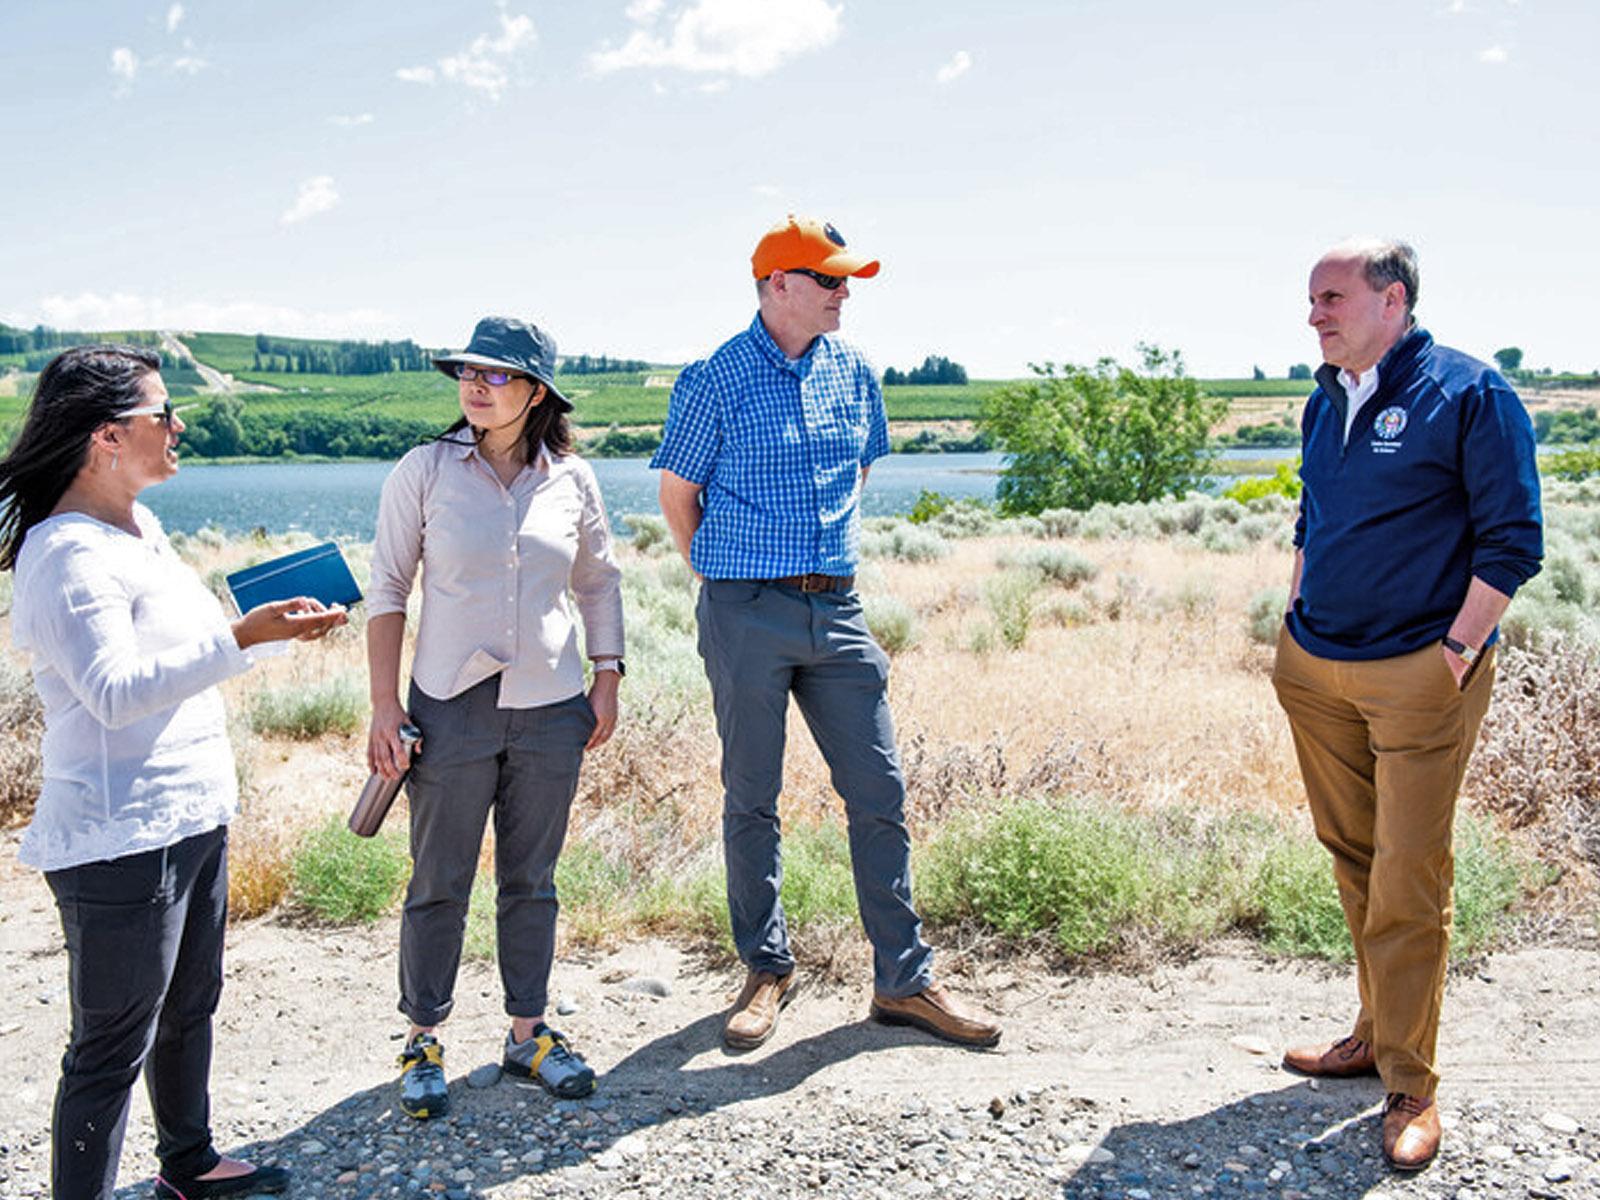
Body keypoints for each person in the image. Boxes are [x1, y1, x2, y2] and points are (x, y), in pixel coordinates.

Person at [1, 345, 346, 1200]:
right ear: (106, 437)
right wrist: (243, 637)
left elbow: (166, 652)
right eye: (164, 413)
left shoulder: (138, 529)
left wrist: (259, 623)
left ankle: (187, 1164)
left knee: (190, 1004)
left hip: (189, 810)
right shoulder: (66, 554)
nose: (180, 425)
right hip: (120, 834)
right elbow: (115, 693)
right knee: (111, 1041)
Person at [651, 214, 1002, 1051]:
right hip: (746, 609)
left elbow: (860, 466)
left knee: (879, 791)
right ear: (779, 285)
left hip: (838, 610)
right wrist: (726, 581)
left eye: (848, 280)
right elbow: (678, 496)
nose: (847, 293)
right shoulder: (714, 380)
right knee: (753, 798)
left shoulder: (856, 374)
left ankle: (904, 983)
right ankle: (767, 969)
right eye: (830, 279)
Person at [1272, 240, 1543, 1169]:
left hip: (1421, 674)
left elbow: (1512, 544)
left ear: (1393, 300)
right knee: (1354, 856)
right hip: (1319, 666)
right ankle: (1375, 1029)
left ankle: (1411, 1082)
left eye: (1332, 297)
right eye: (1312, 299)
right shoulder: (1325, 396)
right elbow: (1314, 512)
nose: (1315, 314)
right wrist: (1295, 613)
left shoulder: (1472, 395)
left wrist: (1455, 654)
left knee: (1409, 873)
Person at [366, 315, 624, 1119]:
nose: (475, 385)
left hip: (552, 710)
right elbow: (387, 592)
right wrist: (384, 705)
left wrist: (607, 674)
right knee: (438, 880)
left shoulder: (571, 480)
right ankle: (423, 1039)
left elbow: (599, 581)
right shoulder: (424, 471)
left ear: (536, 392)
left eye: (497, 374)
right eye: (468, 373)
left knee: (532, 881)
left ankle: (528, 1034)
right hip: (449, 707)